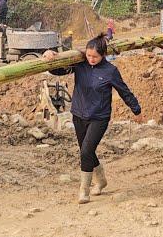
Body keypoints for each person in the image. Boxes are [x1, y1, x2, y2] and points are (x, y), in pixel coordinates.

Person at [42, 33, 142, 204]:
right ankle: (101, 180)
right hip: (78, 114)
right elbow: (59, 70)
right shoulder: (80, 64)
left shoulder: (110, 71)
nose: (91, 59)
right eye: (88, 55)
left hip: (99, 117)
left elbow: (124, 91)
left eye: (95, 56)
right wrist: (49, 57)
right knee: (86, 151)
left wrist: (136, 110)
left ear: (103, 55)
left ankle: (84, 190)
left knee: (86, 151)